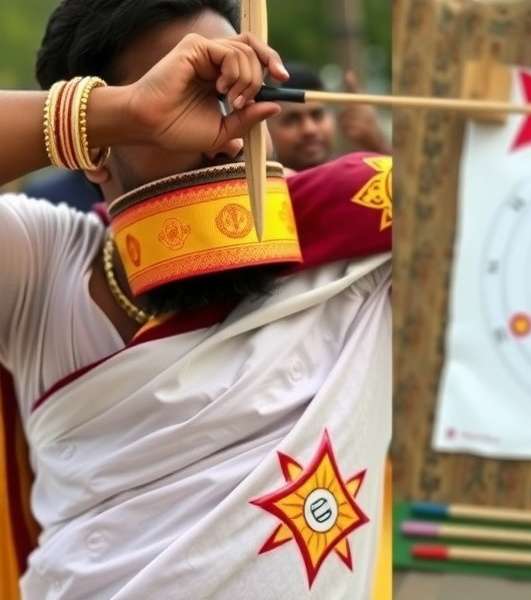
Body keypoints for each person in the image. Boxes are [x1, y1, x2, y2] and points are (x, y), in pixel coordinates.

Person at [0, 1, 391, 599]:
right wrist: (129, 109)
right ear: (96, 148)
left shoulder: (353, 246)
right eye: (187, 97)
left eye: (239, 95)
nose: (228, 136)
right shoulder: (45, 265)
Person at [268, 63, 392, 171]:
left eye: (317, 115)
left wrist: (377, 144)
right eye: (291, 120)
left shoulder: (353, 177)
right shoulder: (258, 192)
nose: (310, 129)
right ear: (265, 128)